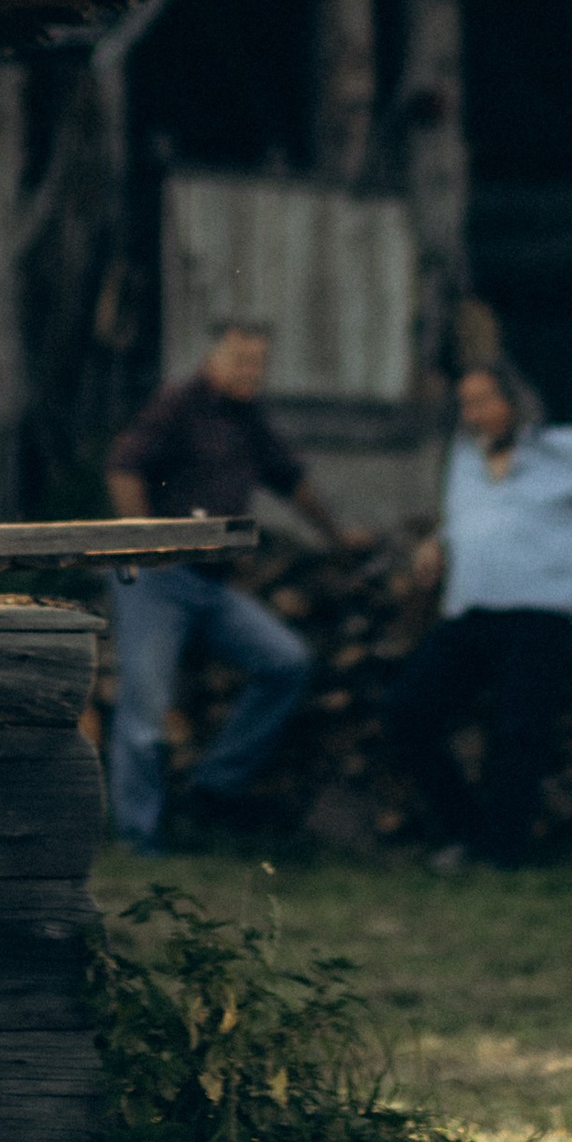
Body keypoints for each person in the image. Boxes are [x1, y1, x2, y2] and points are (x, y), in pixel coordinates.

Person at [387, 356, 572, 867]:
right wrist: (438, 542)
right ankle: (465, 831)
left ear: (514, 403)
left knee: (518, 732)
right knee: (408, 713)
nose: (472, 415)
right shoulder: (463, 458)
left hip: (540, 614)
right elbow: (471, 519)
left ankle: (500, 853)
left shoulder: (567, 451)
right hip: (471, 612)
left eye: (483, 402)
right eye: (466, 405)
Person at [102, 316, 367, 851]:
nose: (253, 372)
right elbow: (122, 466)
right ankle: (138, 834)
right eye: (243, 360)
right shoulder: (179, 404)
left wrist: (338, 536)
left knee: (286, 662)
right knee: (146, 709)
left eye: (260, 364)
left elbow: (292, 481)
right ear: (214, 359)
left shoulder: (249, 420)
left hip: (211, 583)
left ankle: (215, 784)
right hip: (156, 579)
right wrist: (144, 540)